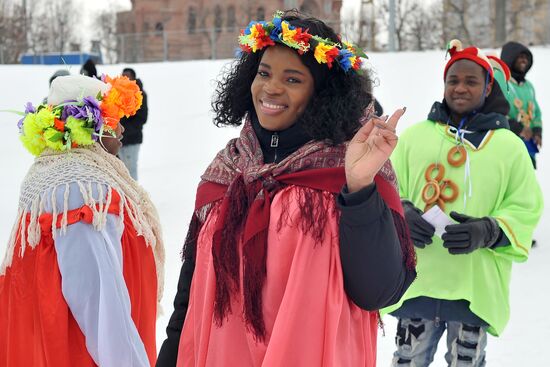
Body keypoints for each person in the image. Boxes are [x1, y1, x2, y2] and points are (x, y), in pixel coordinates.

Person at [157, 10, 416, 367]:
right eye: (263, 73)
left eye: (293, 79)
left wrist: (358, 188)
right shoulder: (226, 170)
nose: (271, 88)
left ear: (322, 94)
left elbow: (379, 291)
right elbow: (190, 295)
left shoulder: (348, 167)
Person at [384, 40, 543, 366]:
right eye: (453, 80)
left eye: (471, 81)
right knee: (406, 360)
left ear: (488, 89)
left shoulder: (509, 147)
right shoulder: (415, 137)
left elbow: (526, 205)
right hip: (418, 283)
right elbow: (385, 186)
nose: (460, 87)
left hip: (474, 287)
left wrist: (489, 230)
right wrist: (403, 213)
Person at [0, 74, 165, 366]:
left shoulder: (53, 174)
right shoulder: (80, 188)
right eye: (114, 119)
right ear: (93, 127)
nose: (123, 128)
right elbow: (100, 305)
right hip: (78, 354)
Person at [500, 41, 543, 168]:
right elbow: (493, 110)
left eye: (527, 57)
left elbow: (537, 113)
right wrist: (518, 128)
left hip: (528, 146)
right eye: (520, 56)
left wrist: (537, 131)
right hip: (507, 144)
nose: (524, 60)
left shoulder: (528, 86)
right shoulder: (500, 80)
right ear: (509, 57)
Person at [119, 67, 148, 180]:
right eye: (123, 77)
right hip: (120, 139)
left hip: (132, 139)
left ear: (133, 78)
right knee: (121, 170)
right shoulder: (118, 93)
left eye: (127, 77)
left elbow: (142, 118)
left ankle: (134, 194)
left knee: (130, 169)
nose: (125, 79)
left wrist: (126, 129)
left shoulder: (140, 94)